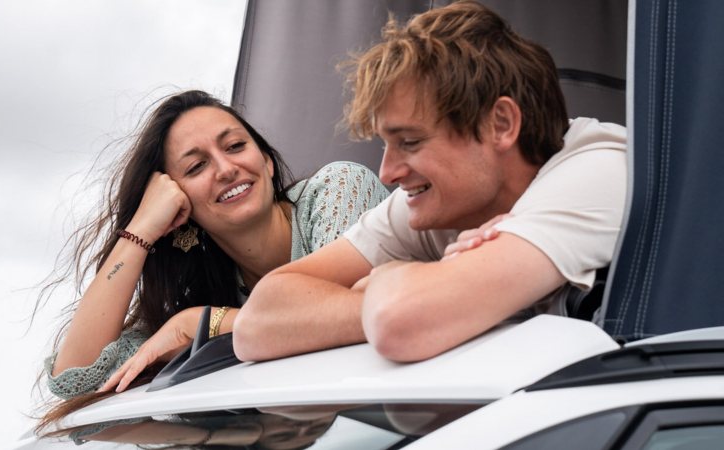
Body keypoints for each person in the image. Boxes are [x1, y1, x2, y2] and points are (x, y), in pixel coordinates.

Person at [234, 1, 627, 362]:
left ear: (501, 124)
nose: (387, 173)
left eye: (410, 142)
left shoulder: (599, 172)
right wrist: (407, 289)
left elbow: (397, 324)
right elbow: (256, 323)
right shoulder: (438, 200)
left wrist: (388, 279)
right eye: (387, 144)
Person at [36, 90, 388, 432]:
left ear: (265, 160)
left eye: (235, 146)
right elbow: (79, 383)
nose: (225, 169)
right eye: (196, 166)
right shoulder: (204, 288)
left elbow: (348, 320)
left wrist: (202, 325)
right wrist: (140, 230)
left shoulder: (338, 187)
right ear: (178, 204)